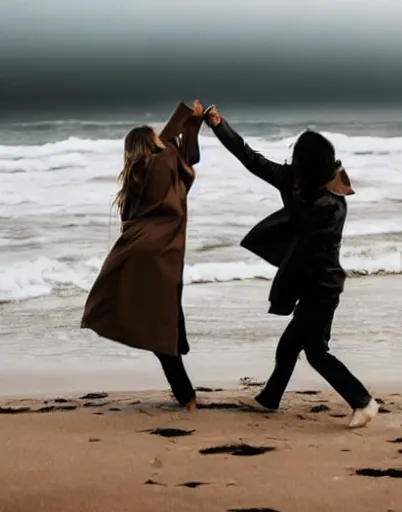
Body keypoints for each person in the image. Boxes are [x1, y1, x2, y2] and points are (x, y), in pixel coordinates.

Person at [205, 106, 379, 428]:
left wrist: (286, 287)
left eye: (298, 159)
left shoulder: (330, 204)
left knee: (315, 352)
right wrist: (219, 126)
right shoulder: (297, 182)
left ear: (308, 167)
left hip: (323, 287)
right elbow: (252, 159)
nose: (292, 164)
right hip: (312, 284)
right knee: (289, 347)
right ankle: (269, 400)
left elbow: (307, 248)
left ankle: (363, 401)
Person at [81, 100, 207, 412]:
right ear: (151, 143)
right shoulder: (162, 161)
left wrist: (189, 121)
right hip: (161, 250)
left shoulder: (134, 176)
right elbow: (184, 157)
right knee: (161, 325)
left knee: (159, 312)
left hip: (136, 248)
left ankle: (179, 346)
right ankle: (187, 396)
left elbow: (182, 154)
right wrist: (189, 117)